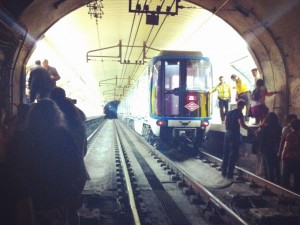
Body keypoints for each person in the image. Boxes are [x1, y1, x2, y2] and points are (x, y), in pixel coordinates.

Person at [7, 99, 85, 225]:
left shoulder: (20, 138)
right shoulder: (64, 137)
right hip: (56, 200)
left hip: (28, 200)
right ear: (56, 116)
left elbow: (12, 168)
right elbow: (74, 168)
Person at [222, 100, 252, 179]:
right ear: (242, 106)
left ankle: (223, 172)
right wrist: (250, 129)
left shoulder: (229, 112)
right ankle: (229, 174)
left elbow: (226, 123)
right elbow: (242, 124)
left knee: (226, 153)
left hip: (227, 134)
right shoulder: (239, 113)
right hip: (234, 135)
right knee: (233, 155)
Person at [256, 112, 282, 183]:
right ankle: (278, 180)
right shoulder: (279, 128)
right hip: (276, 148)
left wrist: (260, 149)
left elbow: (262, 139)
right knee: (276, 166)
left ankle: (270, 181)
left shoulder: (265, 128)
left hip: (267, 149)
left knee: (268, 166)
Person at [279, 118, 300, 193]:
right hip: (298, 158)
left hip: (289, 158)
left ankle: (284, 193)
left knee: (286, 176)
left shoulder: (290, 135)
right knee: (297, 177)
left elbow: (286, 147)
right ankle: (296, 193)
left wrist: (282, 156)